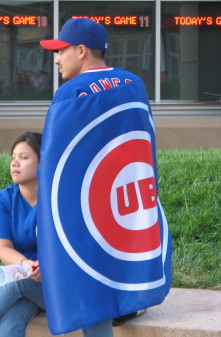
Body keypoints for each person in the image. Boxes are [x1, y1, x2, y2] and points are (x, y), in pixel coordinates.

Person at [0, 132, 116, 337]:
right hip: (32, 283)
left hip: (67, 285)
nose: (15, 163)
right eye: (13, 158)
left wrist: (46, 269)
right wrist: (26, 265)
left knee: (16, 282)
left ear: (43, 162)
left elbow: (82, 246)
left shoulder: (62, 198)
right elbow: (3, 248)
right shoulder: (3, 200)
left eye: (24, 157)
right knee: (10, 324)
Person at [39, 18, 150, 333]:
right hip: (130, 193)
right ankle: (129, 305)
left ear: (82, 50)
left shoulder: (71, 92)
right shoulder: (134, 83)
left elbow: (53, 161)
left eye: (61, 50)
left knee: (90, 283)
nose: (57, 59)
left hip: (86, 202)